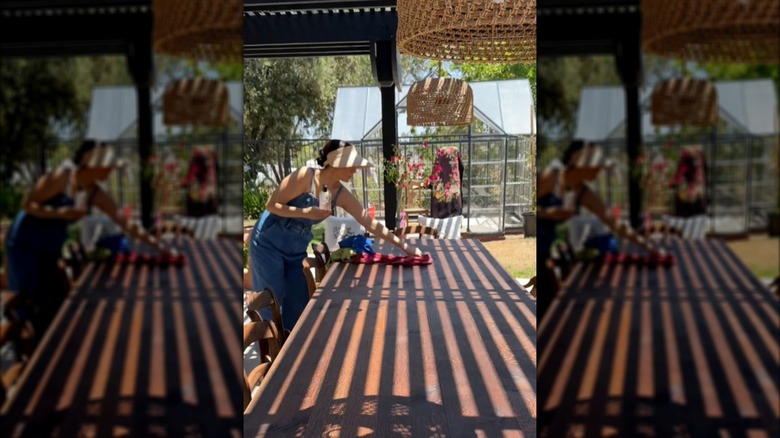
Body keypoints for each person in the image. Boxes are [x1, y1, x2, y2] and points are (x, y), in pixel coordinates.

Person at [5, 140, 176, 338]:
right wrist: (62, 214)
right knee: (29, 303)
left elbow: (126, 223)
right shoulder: (63, 176)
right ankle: (31, 357)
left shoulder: (93, 191)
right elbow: (27, 204)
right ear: (93, 163)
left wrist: (161, 247)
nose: (110, 170)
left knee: (49, 303)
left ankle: (51, 346)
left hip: (48, 246)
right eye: (107, 165)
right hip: (24, 243)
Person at [249, 139, 423, 331]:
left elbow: (369, 222)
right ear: (337, 163)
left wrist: (404, 246)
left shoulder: (339, 193)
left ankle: (290, 348)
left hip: (295, 250)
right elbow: (271, 204)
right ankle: (271, 353)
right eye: (352, 166)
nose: (355, 170)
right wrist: (304, 213)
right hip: (267, 245)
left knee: (298, 303)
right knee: (270, 303)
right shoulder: (304, 176)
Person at [536, 140, 665, 319]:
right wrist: (551, 214)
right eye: (595, 166)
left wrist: (649, 247)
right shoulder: (551, 176)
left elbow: (615, 224)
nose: (598, 170)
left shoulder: (582, 192)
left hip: (544, 252)